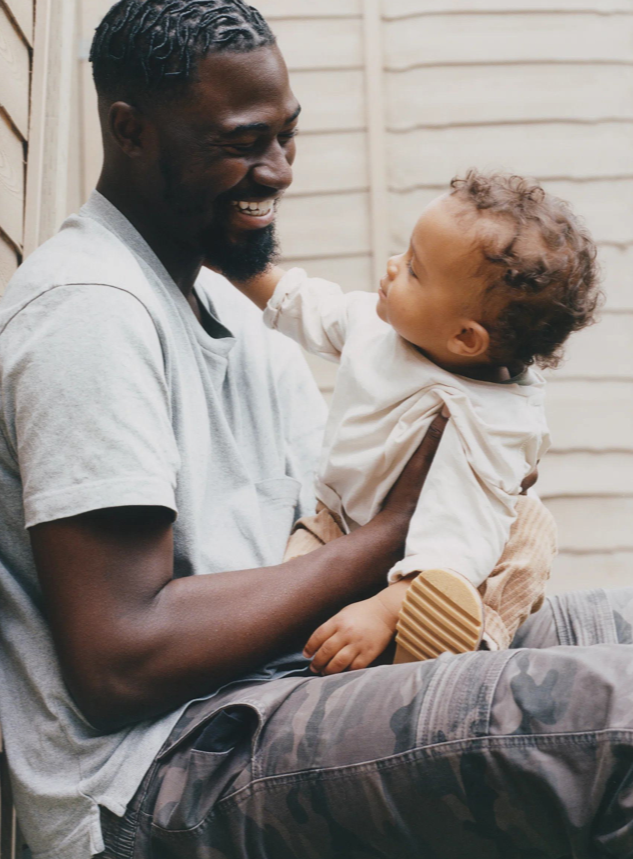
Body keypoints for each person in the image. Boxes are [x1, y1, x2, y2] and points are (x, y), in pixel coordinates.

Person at [0, 0, 633, 859]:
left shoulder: (234, 309)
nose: (278, 171)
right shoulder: (88, 310)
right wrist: (392, 535)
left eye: (285, 135)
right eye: (244, 144)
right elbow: (119, 660)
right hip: (161, 776)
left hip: (292, 681)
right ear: (130, 130)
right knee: (615, 714)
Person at [228, 171, 600, 672]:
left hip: (451, 551)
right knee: (295, 577)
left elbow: (460, 529)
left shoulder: (489, 421)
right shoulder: (376, 328)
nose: (391, 266)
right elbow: (302, 305)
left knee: (528, 536)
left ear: (466, 339)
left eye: (414, 271)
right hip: (338, 525)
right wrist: (231, 264)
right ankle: (346, 641)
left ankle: (463, 637)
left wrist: (390, 603)